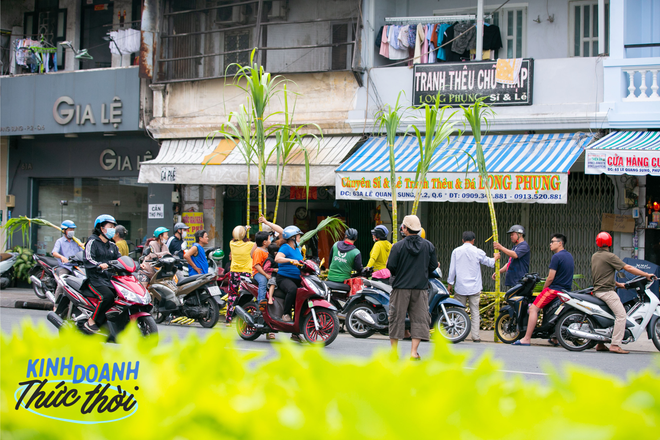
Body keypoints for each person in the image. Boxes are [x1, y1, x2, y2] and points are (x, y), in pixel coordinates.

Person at [590, 232, 654, 354]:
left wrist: (619, 285)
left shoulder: (595, 256)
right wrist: (646, 274)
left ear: (597, 243)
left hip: (598, 291)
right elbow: (628, 268)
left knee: (607, 316)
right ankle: (615, 344)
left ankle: (600, 343)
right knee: (621, 315)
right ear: (610, 243)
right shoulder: (610, 256)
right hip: (607, 292)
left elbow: (603, 275)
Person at [386, 215, 438, 360]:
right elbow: (433, 266)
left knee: (396, 318)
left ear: (404, 229)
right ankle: (413, 352)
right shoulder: (428, 245)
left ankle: (394, 353)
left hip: (400, 288)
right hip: (420, 288)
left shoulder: (397, 246)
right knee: (419, 319)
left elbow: (391, 266)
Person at [514, 233, 573, 346]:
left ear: (560, 243)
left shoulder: (556, 257)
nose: (550, 244)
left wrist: (544, 289)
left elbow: (550, 277)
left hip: (554, 290)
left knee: (533, 309)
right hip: (565, 291)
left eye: (552, 242)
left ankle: (526, 338)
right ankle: (554, 338)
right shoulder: (569, 256)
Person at [447, 231, 500, 343]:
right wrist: (496, 257)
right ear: (473, 240)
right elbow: (489, 263)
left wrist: (450, 284)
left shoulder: (456, 251)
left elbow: (452, 270)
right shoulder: (477, 251)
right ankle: (475, 336)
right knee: (475, 311)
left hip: (460, 287)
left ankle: (459, 334)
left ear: (462, 240)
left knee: (459, 310)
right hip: (474, 287)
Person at [82, 214, 121, 334]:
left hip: (109, 279)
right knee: (107, 296)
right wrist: (98, 265)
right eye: (109, 226)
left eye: (113, 227)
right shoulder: (92, 241)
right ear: (101, 228)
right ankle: (91, 321)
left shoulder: (112, 245)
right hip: (95, 279)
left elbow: (121, 259)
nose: (112, 229)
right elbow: (88, 258)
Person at [274, 225, 304, 323]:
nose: (300, 239)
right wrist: (291, 260)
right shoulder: (285, 247)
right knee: (292, 290)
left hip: (298, 278)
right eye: (298, 237)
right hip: (284, 277)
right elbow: (277, 258)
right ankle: (285, 314)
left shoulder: (297, 249)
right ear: (292, 238)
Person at [226, 225, 254, 325]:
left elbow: (239, 236)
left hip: (234, 272)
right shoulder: (250, 245)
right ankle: (240, 317)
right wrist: (246, 229)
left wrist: (245, 229)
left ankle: (228, 319)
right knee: (245, 295)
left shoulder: (231, 244)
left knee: (232, 296)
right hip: (246, 273)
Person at [52, 220, 83, 302]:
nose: (71, 231)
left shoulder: (77, 241)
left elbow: (83, 252)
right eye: (70, 229)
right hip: (65, 267)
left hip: (77, 267)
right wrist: (61, 257)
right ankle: (56, 306)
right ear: (64, 230)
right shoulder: (60, 241)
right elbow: (54, 252)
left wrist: (83, 246)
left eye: (73, 230)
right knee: (61, 285)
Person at [493, 225, 531, 289]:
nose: (511, 237)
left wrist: (500, 247)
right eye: (510, 235)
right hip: (512, 281)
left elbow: (515, 255)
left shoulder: (524, 246)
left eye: (512, 234)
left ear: (520, 234)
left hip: (519, 281)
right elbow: (509, 263)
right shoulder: (515, 247)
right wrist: (499, 271)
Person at [252, 231, 272, 303]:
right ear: (264, 242)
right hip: (258, 273)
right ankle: (261, 301)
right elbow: (257, 265)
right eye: (269, 239)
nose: (271, 240)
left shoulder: (267, 251)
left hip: (266, 271)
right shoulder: (258, 251)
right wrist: (265, 275)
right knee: (263, 281)